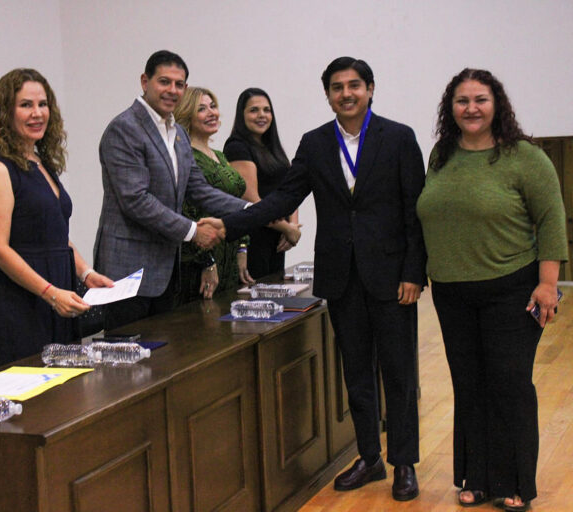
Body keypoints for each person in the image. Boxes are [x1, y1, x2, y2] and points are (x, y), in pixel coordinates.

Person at [204, 56, 426, 501]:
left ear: (370, 89)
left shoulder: (399, 138)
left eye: (354, 85)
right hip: (341, 277)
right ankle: (369, 457)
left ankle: (404, 462)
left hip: (390, 276)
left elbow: (414, 212)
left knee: (398, 372)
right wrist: (232, 225)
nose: (346, 94)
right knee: (356, 370)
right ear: (327, 94)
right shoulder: (315, 142)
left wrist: (414, 272)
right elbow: (284, 196)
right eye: (337, 87)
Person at [416, 69, 567, 512]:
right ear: (451, 108)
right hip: (451, 292)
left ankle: (515, 481)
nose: (471, 108)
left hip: (512, 288)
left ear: (496, 104)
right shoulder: (441, 156)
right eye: (462, 101)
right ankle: (477, 478)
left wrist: (547, 284)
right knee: (469, 384)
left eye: (480, 99)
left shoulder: (524, 157)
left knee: (509, 384)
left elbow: (551, 221)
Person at [94, 50, 249, 331]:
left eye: (179, 84)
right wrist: (193, 231)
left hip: (165, 271)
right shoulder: (124, 128)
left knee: (163, 359)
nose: (172, 90)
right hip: (128, 272)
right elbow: (136, 200)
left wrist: (252, 211)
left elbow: (198, 189)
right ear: (145, 82)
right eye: (164, 82)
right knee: (127, 364)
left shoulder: (177, 133)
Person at [0, 68, 113, 369]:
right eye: (26, 105)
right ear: (5, 112)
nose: (37, 113)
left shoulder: (40, 162)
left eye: (42, 104)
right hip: (23, 302)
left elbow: (55, 233)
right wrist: (49, 293)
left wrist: (86, 273)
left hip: (59, 295)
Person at [172, 86, 255, 303]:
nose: (211, 113)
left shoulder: (220, 155)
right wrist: (206, 261)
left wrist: (242, 248)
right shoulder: (185, 156)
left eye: (213, 106)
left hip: (229, 254)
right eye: (202, 109)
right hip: (201, 260)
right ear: (187, 114)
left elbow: (237, 201)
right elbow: (186, 213)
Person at [224, 88, 301, 279]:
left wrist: (294, 226)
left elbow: (291, 190)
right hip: (254, 238)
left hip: (277, 239)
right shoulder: (236, 147)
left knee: (277, 299)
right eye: (254, 110)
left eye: (267, 110)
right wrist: (286, 228)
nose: (262, 115)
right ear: (241, 115)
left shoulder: (273, 148)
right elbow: (251, 200)